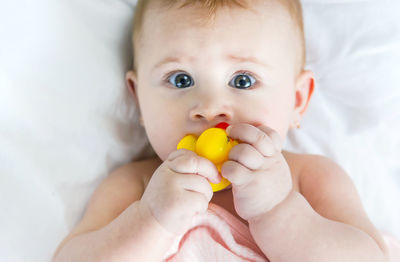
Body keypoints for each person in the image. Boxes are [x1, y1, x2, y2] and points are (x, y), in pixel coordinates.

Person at [53, 0, 390, 261]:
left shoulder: (310, 178)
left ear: (298, 100)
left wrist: (279, 210)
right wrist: (151, 220)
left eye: (242, 80)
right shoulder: (135, 186)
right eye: (180, 79)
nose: (211, 107)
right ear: (138, 99)